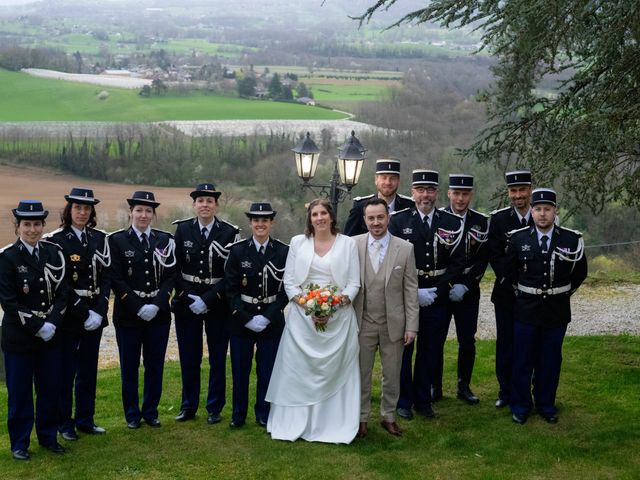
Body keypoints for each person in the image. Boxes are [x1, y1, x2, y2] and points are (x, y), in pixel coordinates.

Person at [266, 198, 361, 443]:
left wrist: (332, 306)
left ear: (331, 216)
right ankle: (297, 423)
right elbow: (289, 282)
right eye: (314, 214)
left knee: (337, 369)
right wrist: (309, 305)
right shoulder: (298, 242)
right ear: (309, 218)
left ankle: (332, 423)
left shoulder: (347, 244)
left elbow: (353, 284)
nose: (319, 218)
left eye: (323, 213)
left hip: (338, 318)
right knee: (300, 371)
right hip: (302, 319)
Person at [505, 189, 587, 424]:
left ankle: (545, 404)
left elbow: (580, 272)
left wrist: (561, 294)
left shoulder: (572, 239)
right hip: (526, 310)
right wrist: (524, 294)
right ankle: (520, 405)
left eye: (547, 209)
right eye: (538, 209)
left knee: (550, 360)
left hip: (556, 310)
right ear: (531, 211)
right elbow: (509, 273)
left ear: (555, 211)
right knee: (523, 360)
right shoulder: (518, 239)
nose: (542, 214)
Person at [389, 169, 465, 419]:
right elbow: (393, 262)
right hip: (408, 295)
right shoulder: (398, 222)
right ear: (412, 193)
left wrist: (440, 290)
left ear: (437, 193)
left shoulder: (452, 223)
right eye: (420, 190)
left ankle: (423, 399)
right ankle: (403, 400)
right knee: (404, 349)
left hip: (438, 296)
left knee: (430, 350)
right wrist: (414, 291)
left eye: (430, 190)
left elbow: (457, 262)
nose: (425, 195)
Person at [0, 200, 68, 460]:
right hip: (20, 338)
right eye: (27, 224)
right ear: (17, 227)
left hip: (51, 336)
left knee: (50, 388)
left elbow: (62, 294)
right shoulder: (6, 258)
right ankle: (19, 443)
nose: (32, 230)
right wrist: (39, 326)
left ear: (43, 226)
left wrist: (53, 323)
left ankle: (48, 437)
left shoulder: (53, 253)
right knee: (20, 392)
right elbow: (9, 301)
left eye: (37, 224)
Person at [172, 183, 239, 425]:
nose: (205, 205)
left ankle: (214, 407)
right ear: (194, 204)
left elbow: (231, 274)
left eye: (209, 201)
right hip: (187, 302)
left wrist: (208, 299)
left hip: (218, 303)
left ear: (216, 205)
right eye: (200, 201)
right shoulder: (182, 230)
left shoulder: (229, 232)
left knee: (217, 357)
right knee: (189, 356)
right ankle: (188, 406)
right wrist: (191, 297)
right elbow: (174, 269)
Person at [47, 187, 110, 442]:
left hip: (95, 312)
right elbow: (60, 284)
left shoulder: (99, 238)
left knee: (88, 371)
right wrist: (84, 313)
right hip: (70, 316)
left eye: (87, 209)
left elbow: (106, 277)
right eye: (78, 208)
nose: (82, 212)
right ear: (69, 210)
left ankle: (86, 419)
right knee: (66, 372)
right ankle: (65, 423)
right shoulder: (56, 240)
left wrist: (100, 309)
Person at [108, 191, 176, 429]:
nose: (143, 215)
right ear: (131, 213)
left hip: (158, 314)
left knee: (154, 364)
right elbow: (115, 278)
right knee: (129, 366)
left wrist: (157, 304)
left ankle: (150, 411)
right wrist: (138, 306)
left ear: (153, 214)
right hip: (128, 314)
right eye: (139, 210)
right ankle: (132, 414)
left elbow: (171, 277)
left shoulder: (165, 240)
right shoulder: (116, 241)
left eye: (148, 211)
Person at [352, 198, 418, 438]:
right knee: (361, 373)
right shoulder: (353, 245)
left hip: (394, 324)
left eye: (380, 217)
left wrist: (412, 326)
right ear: (365, 220)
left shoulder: (405, 248)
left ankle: (388, 416)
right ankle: (361, 418)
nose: (376, 222)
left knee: (392, 374)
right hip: (363, 322)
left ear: (388, 217)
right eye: (371, 218)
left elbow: (410, 290)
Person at [225, 202, 288, 428]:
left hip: (271, 320)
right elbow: (230, 289)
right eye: (256, 220)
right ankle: (238, 415)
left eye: (265, 220)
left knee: (267, 370)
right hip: (242, 320)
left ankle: (263, 413)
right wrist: (245, 318)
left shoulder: (283, 251)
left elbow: (286, 290)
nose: (260, 224)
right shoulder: (237, 250)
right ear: (250, 223)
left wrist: (268, 316)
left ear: (271, 223)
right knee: (240, 371)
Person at [439, 174, 489, 405]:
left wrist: (467, 285)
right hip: (441, 288)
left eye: (465, 194)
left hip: (467, 289)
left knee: (467, 340)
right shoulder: (438, 218)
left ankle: (464, 386)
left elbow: (483, 259)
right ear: (449, 194)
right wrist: (447, 284)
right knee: (435, 340)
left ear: (471, 195)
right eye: (456, 193)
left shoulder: (481, 221)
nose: (460, 198)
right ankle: (433, 386)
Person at [488, 170, 533, 408]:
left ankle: (527, 390)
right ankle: (505, 391)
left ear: (530, 190)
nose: (518, 195)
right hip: (507, 292)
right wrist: (516, 278)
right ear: (508, 193)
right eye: (513, 191)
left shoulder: (542, 215)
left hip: (534, 295)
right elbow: (495, 257)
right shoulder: (498, 220)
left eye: (522, 190)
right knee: (506, 344)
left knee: (529, 345)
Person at [343, 158, 414, 236]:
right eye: (384, 177)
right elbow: (349, 239)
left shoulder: (409, 206)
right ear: (376, 179)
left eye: (392, 178)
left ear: (398, 180)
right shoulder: (360, 206)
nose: (388, 182)